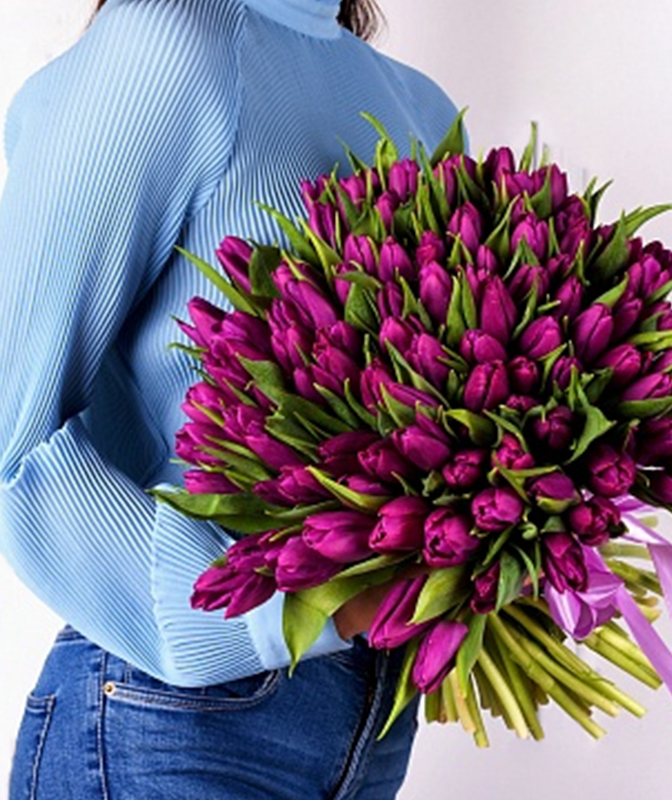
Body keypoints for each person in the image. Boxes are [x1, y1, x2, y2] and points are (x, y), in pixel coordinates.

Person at [0, 1, 461, 797]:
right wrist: (285, 603)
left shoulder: (422, 107)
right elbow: (13, 428)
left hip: (373, 724)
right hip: (174, 718)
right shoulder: (166, 45)